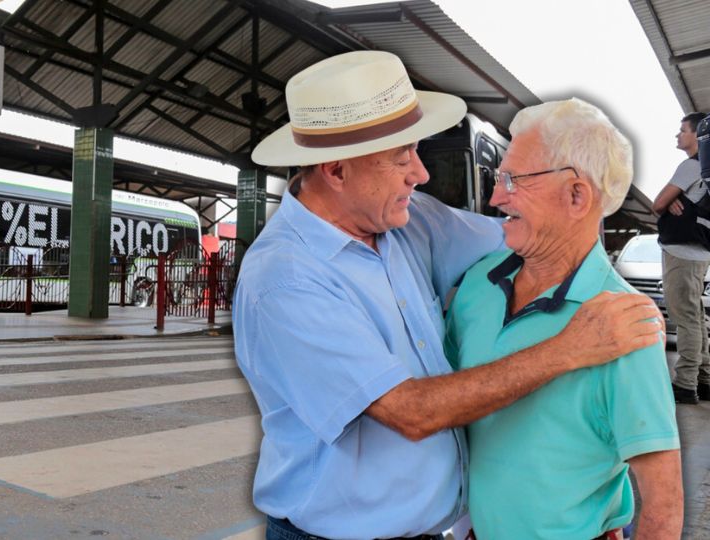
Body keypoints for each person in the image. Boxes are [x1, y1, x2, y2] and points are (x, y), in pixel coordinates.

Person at [232, 50, 663, 540]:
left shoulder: (405, 221)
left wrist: (623, 296)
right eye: (401, 159)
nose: (421, 174)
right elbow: (411, 412)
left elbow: (526, 233)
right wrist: (572, 347)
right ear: (336, 171)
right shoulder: (286, 279)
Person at [445, 98, 682, 540]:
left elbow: (663, 507)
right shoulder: (478, 285)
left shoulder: (624, 322)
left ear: (577, 196)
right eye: (499, 178)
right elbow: (445, 400)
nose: (497, 197)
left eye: (513, 180)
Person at [652, 112, 710, 404]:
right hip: (699, 251)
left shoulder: (691, 166)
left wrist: (670, 200)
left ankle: (685, 384)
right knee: (696, 317)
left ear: (696, 134)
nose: (678, 135)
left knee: (685, 318)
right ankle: (705, 378)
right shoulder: (706, 168)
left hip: (681, 252)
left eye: (682, 130)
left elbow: (657, 203)